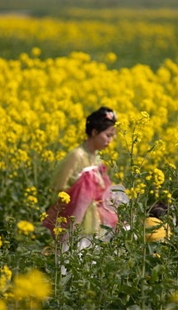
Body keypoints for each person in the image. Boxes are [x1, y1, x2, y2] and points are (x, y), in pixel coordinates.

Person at [42, 106, 126, 250]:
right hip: (73, 225)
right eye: (108, 135)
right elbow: (58, 188)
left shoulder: (97, 158)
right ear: (94, 132)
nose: (110, 141)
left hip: (94, 226)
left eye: (113, 136)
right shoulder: (76, 156)